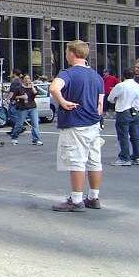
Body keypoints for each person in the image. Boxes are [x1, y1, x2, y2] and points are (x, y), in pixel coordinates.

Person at [49, 40, 105, 212]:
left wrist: (63, 101)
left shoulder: (68, 73)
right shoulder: (97, 76)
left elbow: (53, 88)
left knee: (76, 162)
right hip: (93, 124)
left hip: (75, 123)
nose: (66, 55)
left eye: (66, 52)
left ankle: (76, 200)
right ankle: (93, 197)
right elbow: (100, 105)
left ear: (72, 53)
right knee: (94, 161)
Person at [106, 68, 139, 166]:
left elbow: (110, 98)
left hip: (123, 110)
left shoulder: (121, 86)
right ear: (134, 76)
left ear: (124, 75)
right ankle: (136, 156)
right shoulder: (137, 86)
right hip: (135, 111)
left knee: (123, 136)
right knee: (135, 135)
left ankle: (125, 157)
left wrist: (116, 100)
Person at [8, 74, 43, 146]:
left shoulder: (31, 87)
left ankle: (36, 140)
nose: (27, 80)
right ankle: (14, 137)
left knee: (35, 124)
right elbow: (13, 98)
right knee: (19, 124)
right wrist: (22, 97)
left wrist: (32, 86)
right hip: (23, 108)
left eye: (29, 78)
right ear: (23, 80)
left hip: (33, 107)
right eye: (26, 78)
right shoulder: (19, 88)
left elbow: (36, 94)